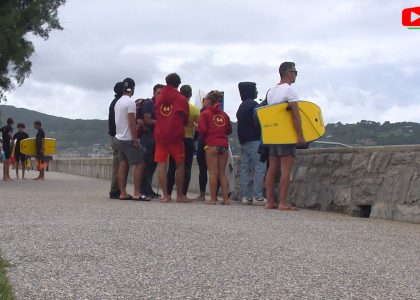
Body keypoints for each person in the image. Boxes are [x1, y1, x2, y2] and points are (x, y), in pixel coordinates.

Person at [265, 62, 305, 211]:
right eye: (295, 72)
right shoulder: (289, 91)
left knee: (272, 169)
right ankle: (283, 202)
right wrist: (300, 135)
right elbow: (296, 115)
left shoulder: (271, 91)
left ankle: (270, 201)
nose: (296, 75)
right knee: (285, 168)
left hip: (273, 135)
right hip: (286, 135)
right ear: (287, 73)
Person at [154, 73, 191, 203]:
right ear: (178, 84)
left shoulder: (158, 98)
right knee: (180, 165)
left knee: (162, 165)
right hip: (175, 136)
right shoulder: (181, 99)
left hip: (160, 135)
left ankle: (165, 196)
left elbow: (157, 114)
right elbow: (186, 119)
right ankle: (180, 195)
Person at [114, 77, 147, 201]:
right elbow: (131, 121)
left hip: (119, 137)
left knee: (123, 164)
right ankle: (137, 193)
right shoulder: (130, 102)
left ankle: (122, 193)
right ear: (132, 89)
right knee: (139, 164)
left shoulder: (118, 102)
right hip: (128, 138)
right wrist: (135, 139)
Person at [198, 90, 232, 205]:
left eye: (205, 99)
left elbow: (202, 130)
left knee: (213, 173)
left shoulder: (205, 114)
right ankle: (226, 200)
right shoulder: (224, 114)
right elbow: (229, 130)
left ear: (208, 100)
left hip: (211, 145)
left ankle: (213, 199)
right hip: (223, 145)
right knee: (222, 173)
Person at [236, 82, 267, 205]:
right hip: (254, 140)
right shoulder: (253, 105)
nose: (257, 91)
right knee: (260, 166)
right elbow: (258, 120)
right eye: (255, 89)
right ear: (250, 91)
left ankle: (246, 196)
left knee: (245, 168)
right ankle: (258, 196)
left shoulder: (241, 106)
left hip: (243, 140)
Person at [167, 85, 200, 198]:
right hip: (189, 139)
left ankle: (168, 193)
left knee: (172, 167)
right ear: (190, 95)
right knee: (186, 167)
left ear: (180, 93)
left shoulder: (174, 107)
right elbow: (200, 127)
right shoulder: (195, 110)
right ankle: (183, 194)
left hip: (175, 138)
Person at [139, 84, 164, 198]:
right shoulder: (149, 103)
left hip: (156, 138)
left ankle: (148, 189)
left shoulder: (162, 105)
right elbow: (147, 120)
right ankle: (143, 190)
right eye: (158, 93)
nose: (160, 95)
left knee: (153, 164)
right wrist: (162, 122)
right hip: (148, 137)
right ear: (154, 93)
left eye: (162, 93)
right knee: (147, 164)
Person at [108, 81, 124, 199]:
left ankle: (117, 189)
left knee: (118, 164)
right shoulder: (119, 103)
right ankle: (115, 190)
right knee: (118, 164)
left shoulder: (114, 102)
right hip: (118, 137)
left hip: (114, 137)